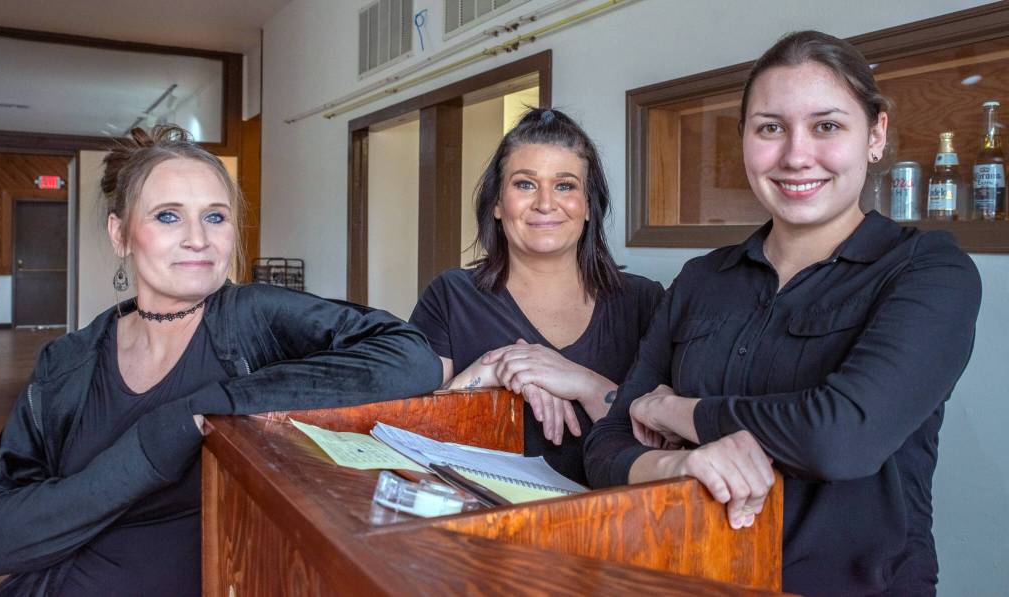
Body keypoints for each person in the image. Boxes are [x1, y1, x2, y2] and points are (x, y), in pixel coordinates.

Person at [584, 31, 981, 596]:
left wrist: (677, 411)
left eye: (827, 126)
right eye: (770, 128)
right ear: (744, 140)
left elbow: (840, 438)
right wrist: (677, 466)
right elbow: (606, 447)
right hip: (687, 578)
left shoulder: (928, 271)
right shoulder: (702, 279)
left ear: (875, 135)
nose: (796, 155)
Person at [0, 126, 442, 596]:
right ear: (121, 235)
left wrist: (214, 404)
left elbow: (410, 356)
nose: (198, 238)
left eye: (215, 217)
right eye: (168, 216)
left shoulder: (253, 318)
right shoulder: (67, 362)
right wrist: (149, 448)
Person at [410, 108, 664, 485]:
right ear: (497, 204)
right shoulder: (451, 296)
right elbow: (414, 436)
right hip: (487, 515)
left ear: (588, 205)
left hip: (615, 516)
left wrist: (581, 382)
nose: (545, 203)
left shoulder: (645, 301)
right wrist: (489, 371)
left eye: (565, 186)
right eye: (525, 184)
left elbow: (666, 441)